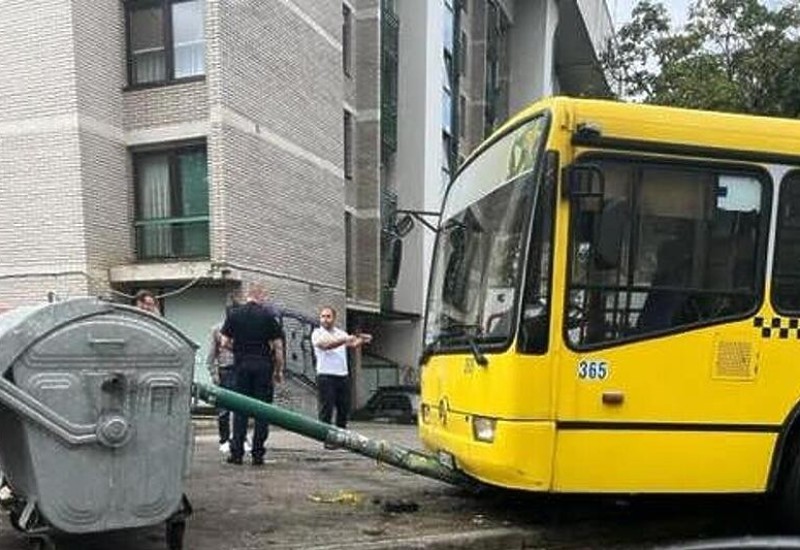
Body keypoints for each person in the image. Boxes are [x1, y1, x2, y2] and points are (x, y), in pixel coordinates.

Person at [220, 283, 284, 466]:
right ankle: (257, 454)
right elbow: (278, 348)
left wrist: (238, 350)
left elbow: (224, 342)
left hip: (241, 366)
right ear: (260, 295)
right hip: (263, 366)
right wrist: (278, 370)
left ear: (248, 295)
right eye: (264, 296)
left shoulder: (234, 315)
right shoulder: (268, 316)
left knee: (240, 409)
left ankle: (237, 454)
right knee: (262, 410)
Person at [311, 306, 371, 443]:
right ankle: (325, 437)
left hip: (342, 376)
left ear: (334, 318)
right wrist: (344, 340)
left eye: (328, 316)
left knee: (343, 408)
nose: (325, 319)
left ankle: (341, 437)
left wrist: (363, 339)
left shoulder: (340, 333)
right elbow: (325, 345)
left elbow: (353, 344)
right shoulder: (317, 333)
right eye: (323, 316)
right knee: (327, 408)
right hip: (325, 375)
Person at [206, 320, 236, 453]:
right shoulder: (217, 329)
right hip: (225, 369)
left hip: (241, 369)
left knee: (242, 408)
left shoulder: (243, 326)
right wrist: (214, 373)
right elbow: (211, 354)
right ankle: (224, 439)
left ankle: (239, 438)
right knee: (224, 407)